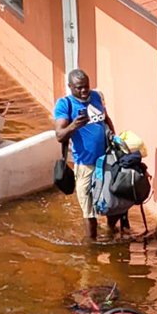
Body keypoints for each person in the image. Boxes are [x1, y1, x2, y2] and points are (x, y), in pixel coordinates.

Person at [54, 69, 117, 240]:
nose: (84, 91)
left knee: (112, 201)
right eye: (79, 88)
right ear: (70, 86)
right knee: (89, 211)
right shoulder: (64, 105)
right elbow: (59, 135)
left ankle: (112, 232)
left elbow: (106, 119)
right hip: (85, 165)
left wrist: (114, 137)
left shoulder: (96, 96)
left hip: (106, 161)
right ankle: (91, 245)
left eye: (86, 86)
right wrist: (74, 125)